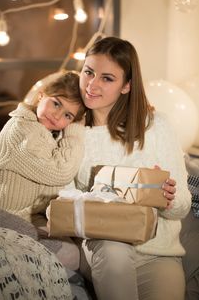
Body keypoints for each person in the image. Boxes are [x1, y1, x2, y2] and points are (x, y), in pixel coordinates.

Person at [72, 36, 191, 300]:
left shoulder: (156, 126)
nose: (91, 85)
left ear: (126, 86)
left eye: (107, 78)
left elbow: (182, 205)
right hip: (102, 245)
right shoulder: (72, 129)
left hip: (157, 254)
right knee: (113, 255)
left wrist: (168, 198)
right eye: (88, 72)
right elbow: (63, 197)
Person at [0, 70, 86, 221]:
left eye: (67, 115)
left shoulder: (41, 128)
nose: (57, 116)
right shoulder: (23, 129)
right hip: (6, 214)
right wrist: (75, 129)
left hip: (30, 211)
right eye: (56, 104)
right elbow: (61, 172)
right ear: (41, 95)